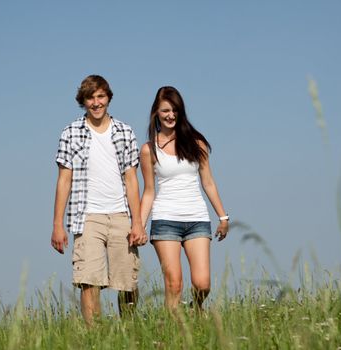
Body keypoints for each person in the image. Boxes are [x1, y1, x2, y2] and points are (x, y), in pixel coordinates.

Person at [51, 75, 147, 325]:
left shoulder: (124, 131)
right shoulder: (70, 133)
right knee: (89, 281)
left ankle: (128, 330)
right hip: (87, 216)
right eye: (90, 97)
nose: (96, 102)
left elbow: (132, 180)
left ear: (108, 98)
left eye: (100, 96)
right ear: (83, 101)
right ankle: (95, 337)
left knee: (127, 281)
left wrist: (137, 222)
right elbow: (64, 180)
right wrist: (57, 224)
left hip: (120, 215)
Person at [140, 86, 229, 311]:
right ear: (156, 113)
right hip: (165, 220)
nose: (170, 115)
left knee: (202, 284)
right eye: (165, 110)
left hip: (197, 219)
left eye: (175, 111)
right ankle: (173, 333)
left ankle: (195, 308)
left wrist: (223, 216)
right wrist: (139, 226)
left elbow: (208, 182)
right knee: (174, 284)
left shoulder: (196, 143)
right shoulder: (148, 150)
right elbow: (149, 191)